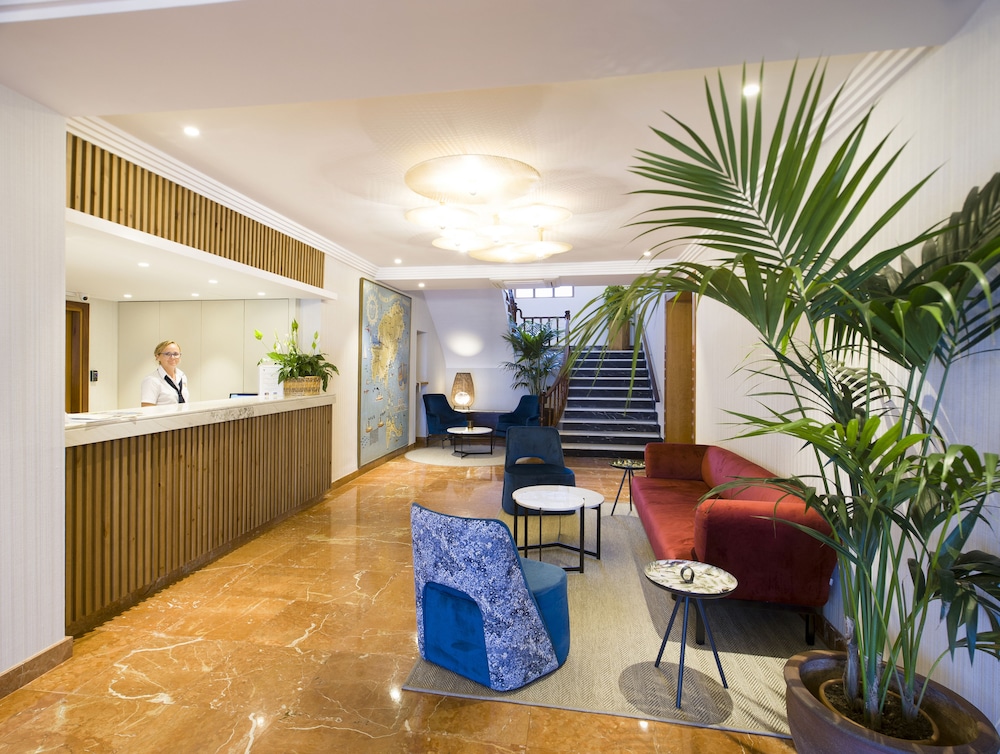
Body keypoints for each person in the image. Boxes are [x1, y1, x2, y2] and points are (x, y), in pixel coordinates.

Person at [140, 340, 190, 406]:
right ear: (157, 357)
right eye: (167, 354)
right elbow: (147, 408)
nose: (172, 357)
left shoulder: (182, 376)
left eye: (176, 354)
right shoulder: (151, 380)